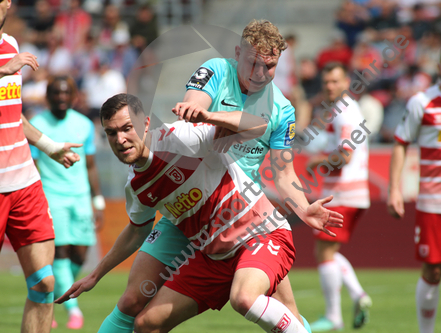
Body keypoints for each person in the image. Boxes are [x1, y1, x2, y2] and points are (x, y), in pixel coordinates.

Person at [58, 20, 342, 333]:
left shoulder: (283, 110)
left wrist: (303, 208)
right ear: (238, 54)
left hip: (241, 211)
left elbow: (284, 172)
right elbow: (192, 113)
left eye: (270, 66)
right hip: (184, 211)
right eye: (253, 63)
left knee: (280, 308)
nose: (260, 73)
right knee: (133, 302)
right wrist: (205, 118)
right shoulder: (217, 71)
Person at [0, 1, 82, 332]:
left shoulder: (11, 46)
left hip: (23, 184)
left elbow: (12, 113)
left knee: (44, 283)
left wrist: (49, 147)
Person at [30, 75, 105, 330]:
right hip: (52, 195)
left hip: (81, 197)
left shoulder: (84, 124)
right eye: (56, 93)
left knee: (80, 253)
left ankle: (51, 298)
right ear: (47, 96)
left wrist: (98, 200)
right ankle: (73, 310)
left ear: (73, 96)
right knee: (60, 251)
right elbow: (34, 166)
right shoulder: (36, 125)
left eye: (66, 93)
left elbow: (91, 165)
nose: (61, 97)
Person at [306, 62, 372, 331]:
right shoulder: (341, 110)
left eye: (335, 81)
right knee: (329, 250)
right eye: (326, 83)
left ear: (346, 82)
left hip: (343, 192)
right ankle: (358, 295)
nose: (330, 87)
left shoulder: (345, 111)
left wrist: (318, 161)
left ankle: (334, 316)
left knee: (323, 251)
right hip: (349, 191)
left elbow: (345, 156)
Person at [388, 74, 441, 333]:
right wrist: (394, 189)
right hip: (433, 202)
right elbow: (400, 143)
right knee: (433, 270)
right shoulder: (421, 102)